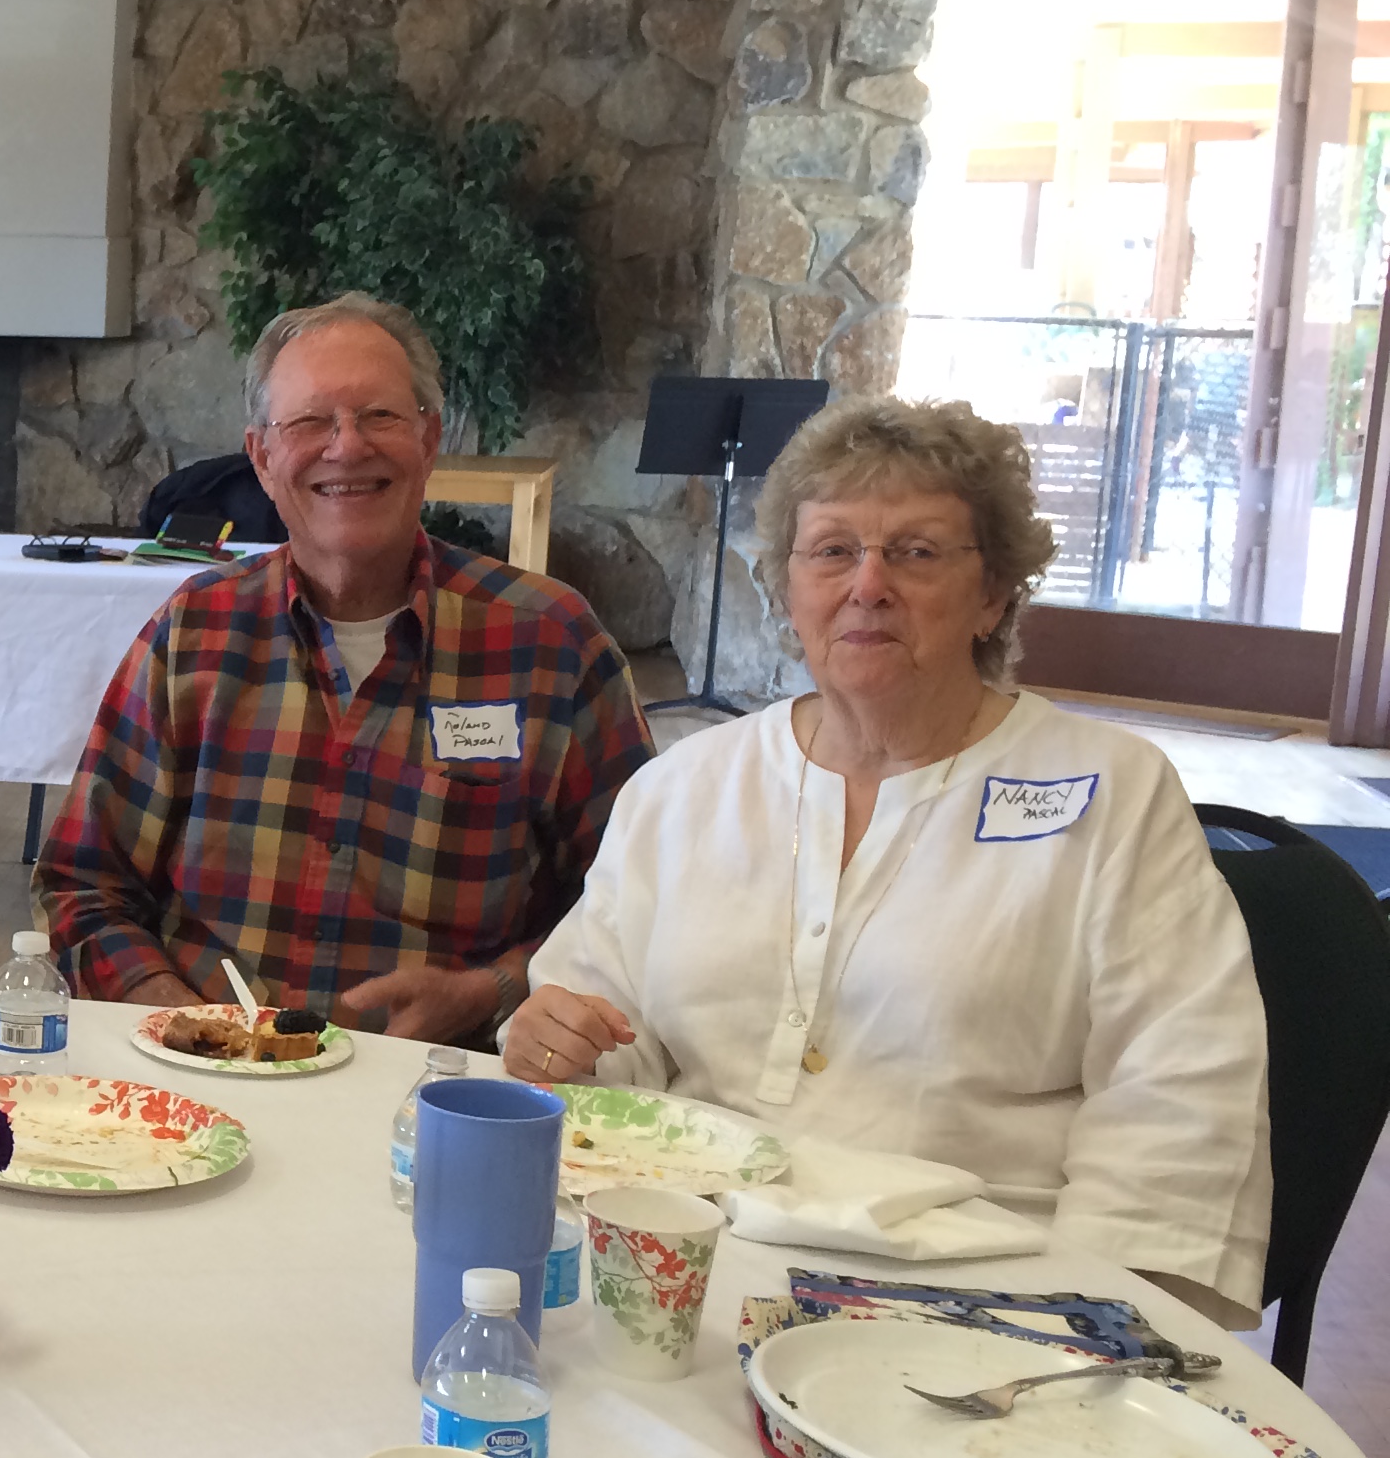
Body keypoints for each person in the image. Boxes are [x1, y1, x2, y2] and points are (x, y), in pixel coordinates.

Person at [503, 395, 1271, 1322]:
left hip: (982, 1300)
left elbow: (1180, 1102)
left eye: (915, 552)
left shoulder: (1111, 795)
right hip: (681, 1265)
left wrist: (1084, 1327)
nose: (867, 584)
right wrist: (566, 1045)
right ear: (788, 589)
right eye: (831, 550)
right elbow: (599, 1028)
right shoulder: (688, 785)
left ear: (995, 594)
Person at [34, 294, 652, 1043]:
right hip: (204, 1083)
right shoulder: (193, 635)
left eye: (380, 417)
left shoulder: (551, 645)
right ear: (261, 457)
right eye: (309, 423)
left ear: (429, 439)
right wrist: (172, 1011)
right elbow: (82, 882)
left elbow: (634, 905)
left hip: (436, 1091)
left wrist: (491, 990)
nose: (346, 447)